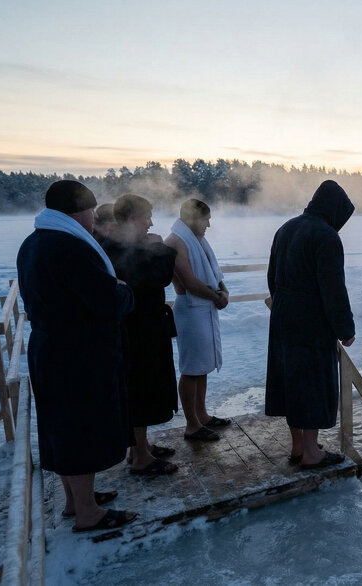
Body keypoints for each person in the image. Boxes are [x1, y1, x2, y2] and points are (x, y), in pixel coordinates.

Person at [16, 180, 137, 532]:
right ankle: (88, 512)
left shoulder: (35, 242)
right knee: (81, 428)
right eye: (90, 211)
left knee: (63, 426)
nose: (94, 220)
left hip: (52, 348)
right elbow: (107, 301)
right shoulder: (69, 247)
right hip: (77, 355)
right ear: (79, 210)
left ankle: (75, 501)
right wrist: (124, 291)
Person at [266, 180, 355, 470]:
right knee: (312, 382)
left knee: (291, 380)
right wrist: (345, 329)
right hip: (310, 321)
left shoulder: (286, 228)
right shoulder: (326, 237)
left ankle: (298, 446)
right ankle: (311, 454)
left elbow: (272, 276)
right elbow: (333, 289)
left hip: (282, 315)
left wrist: (281, 305)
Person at [103, 194, 179, 475]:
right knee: (141, 389)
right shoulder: (119, 249)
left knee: (142, 389)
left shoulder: (123, 245)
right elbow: (158, 278)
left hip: (140, 327)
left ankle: (139, 447)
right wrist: (160, 248)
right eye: (146, 217)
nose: (150, 223)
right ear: (132, 219)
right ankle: (141, 457)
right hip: (137, 331)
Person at [165, 199, 230, 441]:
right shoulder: (175, 241)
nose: (209, 225)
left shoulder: (198, 241)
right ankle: (192, 424)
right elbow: (188, 281)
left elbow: (215, 273)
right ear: (191, 218)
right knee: (191, 368)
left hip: (205, 307)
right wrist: (216, 297)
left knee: (201, 367)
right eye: (205, 219)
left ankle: (201, 415)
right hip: (190, 311)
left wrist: (223, 291)